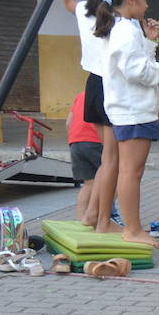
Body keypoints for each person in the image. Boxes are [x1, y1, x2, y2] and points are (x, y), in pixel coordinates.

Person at [51, 0, 130, 233]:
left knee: (109, 161)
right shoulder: (120, 21)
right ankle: (101, 220)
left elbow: (68, 1)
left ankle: (92, 216)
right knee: (113, 161)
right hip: (110, 88)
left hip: (93, 87)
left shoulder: (85, 10)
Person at [93, 0, 159, 249]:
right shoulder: (125, 31)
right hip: (133, 110)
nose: (147, 6)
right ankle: (133, 229)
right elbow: (137, 71)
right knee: (131, 172)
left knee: (130, 171)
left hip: (131, 109)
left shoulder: (126, 29)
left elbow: (139, 61)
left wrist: (151, 42)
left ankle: (129, 227)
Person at [66, 91, 103, 223]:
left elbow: (68, 122)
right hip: (96, 141)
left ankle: (81, 219)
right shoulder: (109, 92)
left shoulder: (81, 95)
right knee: (112, 180)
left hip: (75, 142)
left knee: (88, 184)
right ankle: (103, 216)